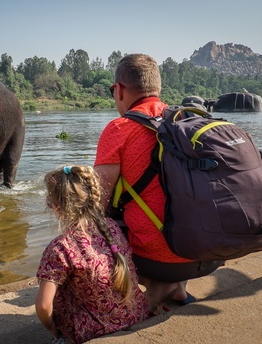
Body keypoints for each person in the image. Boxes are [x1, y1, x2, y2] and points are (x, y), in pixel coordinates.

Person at [94, 54, 223, 315]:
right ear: (158, 89)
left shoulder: (119, 128)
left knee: (95, 221)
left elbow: (96, 199)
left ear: (118, 90)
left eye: (112, 91)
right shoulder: (188, 120)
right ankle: (178, 287)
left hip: (157, 261)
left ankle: (158, 287)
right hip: (213, 253)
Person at [35, 165, 148, 344]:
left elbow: (43, 306)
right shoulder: (111, 227)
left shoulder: (60, 248)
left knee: (52, 285)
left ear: (56, 207)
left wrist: (53, 329)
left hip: (93, 331)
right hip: (135, 314)